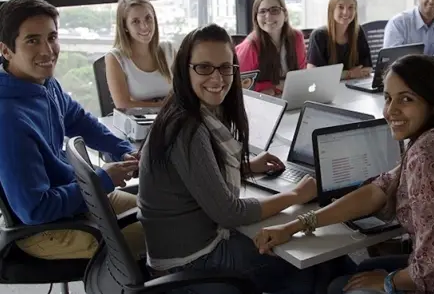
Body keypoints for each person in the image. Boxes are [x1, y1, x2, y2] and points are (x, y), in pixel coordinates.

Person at [255, 54, 434, 294]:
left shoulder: (428, 152)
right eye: (388, 98)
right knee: (359, 269)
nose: (390, 111)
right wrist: (295, 225)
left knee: (338, 285)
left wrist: (389, 281)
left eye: (406, 99)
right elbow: (377, 191)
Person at [138, 24, 351, 294]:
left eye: (225, 67)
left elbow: (195, 177)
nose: (217, 79)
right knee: (311, 261)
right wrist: (296, 195)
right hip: (192, 262)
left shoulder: (187, 110)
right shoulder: (187, 130)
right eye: (204, 67)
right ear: (184, 69)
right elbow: (229, 212)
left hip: (184, 248)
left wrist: (247, 166)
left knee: (319, 256)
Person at [0, 0, 145, 259]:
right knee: (167, 233)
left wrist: (121, 150)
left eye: (52, 37)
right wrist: (101, 180)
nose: (48, 50)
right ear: (6, 50)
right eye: (33, 40)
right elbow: (35, 211)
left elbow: (79, 120)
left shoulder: (43, 84)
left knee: (165, 213)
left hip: (76, 199)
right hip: (45, 229)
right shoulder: (8, 119)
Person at [105, 0, 175, 109]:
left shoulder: (168, 50)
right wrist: (164, 106)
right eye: (136, 21)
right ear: (125, 27)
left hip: (174, 120)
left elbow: (185, 91)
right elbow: (123, 105)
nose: (144, 26)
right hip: (139, 123)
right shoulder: (116, 58)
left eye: (148, 18)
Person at [236, 0, 306, 96]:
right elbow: (240, 84)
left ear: (285, 15)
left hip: (291, 96)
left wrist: (278, 88)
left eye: (275, 10)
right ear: (256, 18)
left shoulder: (296, 37)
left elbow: (301, 73)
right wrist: (275, 87)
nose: (268, 16)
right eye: (262, 11)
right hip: (261, 101)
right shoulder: (250, 46)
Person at [306, 0, 373, 80]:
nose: (346, 12)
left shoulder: (358, 31)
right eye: (341, 7)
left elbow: (367, 68)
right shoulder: (319, 36)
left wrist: (335, 75)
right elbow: (313, 74)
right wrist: (349, 74)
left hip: (353, 88)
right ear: (332, 9)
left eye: (351, 7)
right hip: (327, 90)